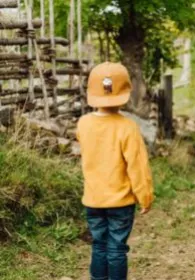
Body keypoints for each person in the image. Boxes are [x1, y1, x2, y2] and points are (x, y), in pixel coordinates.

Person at [77, 62, 154, 280]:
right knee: (117, 248)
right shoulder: (127, 127)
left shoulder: (83, 124)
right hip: (120, 203)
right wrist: (145, 196)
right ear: (125, 93)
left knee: (99, 245)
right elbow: (138, 167)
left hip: (93, 200)